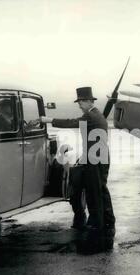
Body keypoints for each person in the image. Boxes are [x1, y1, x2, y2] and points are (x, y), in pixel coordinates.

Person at [40, 87, 115, 252]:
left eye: (81, 102)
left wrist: (48, 120)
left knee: (93, 192)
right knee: (101, 189)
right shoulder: (98, 114)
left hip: (95, 159)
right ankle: (109, 220)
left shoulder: (90, 115)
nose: (79, 105)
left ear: (89, 101)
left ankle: (96, 224)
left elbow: (71, 122)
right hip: (98, 156)